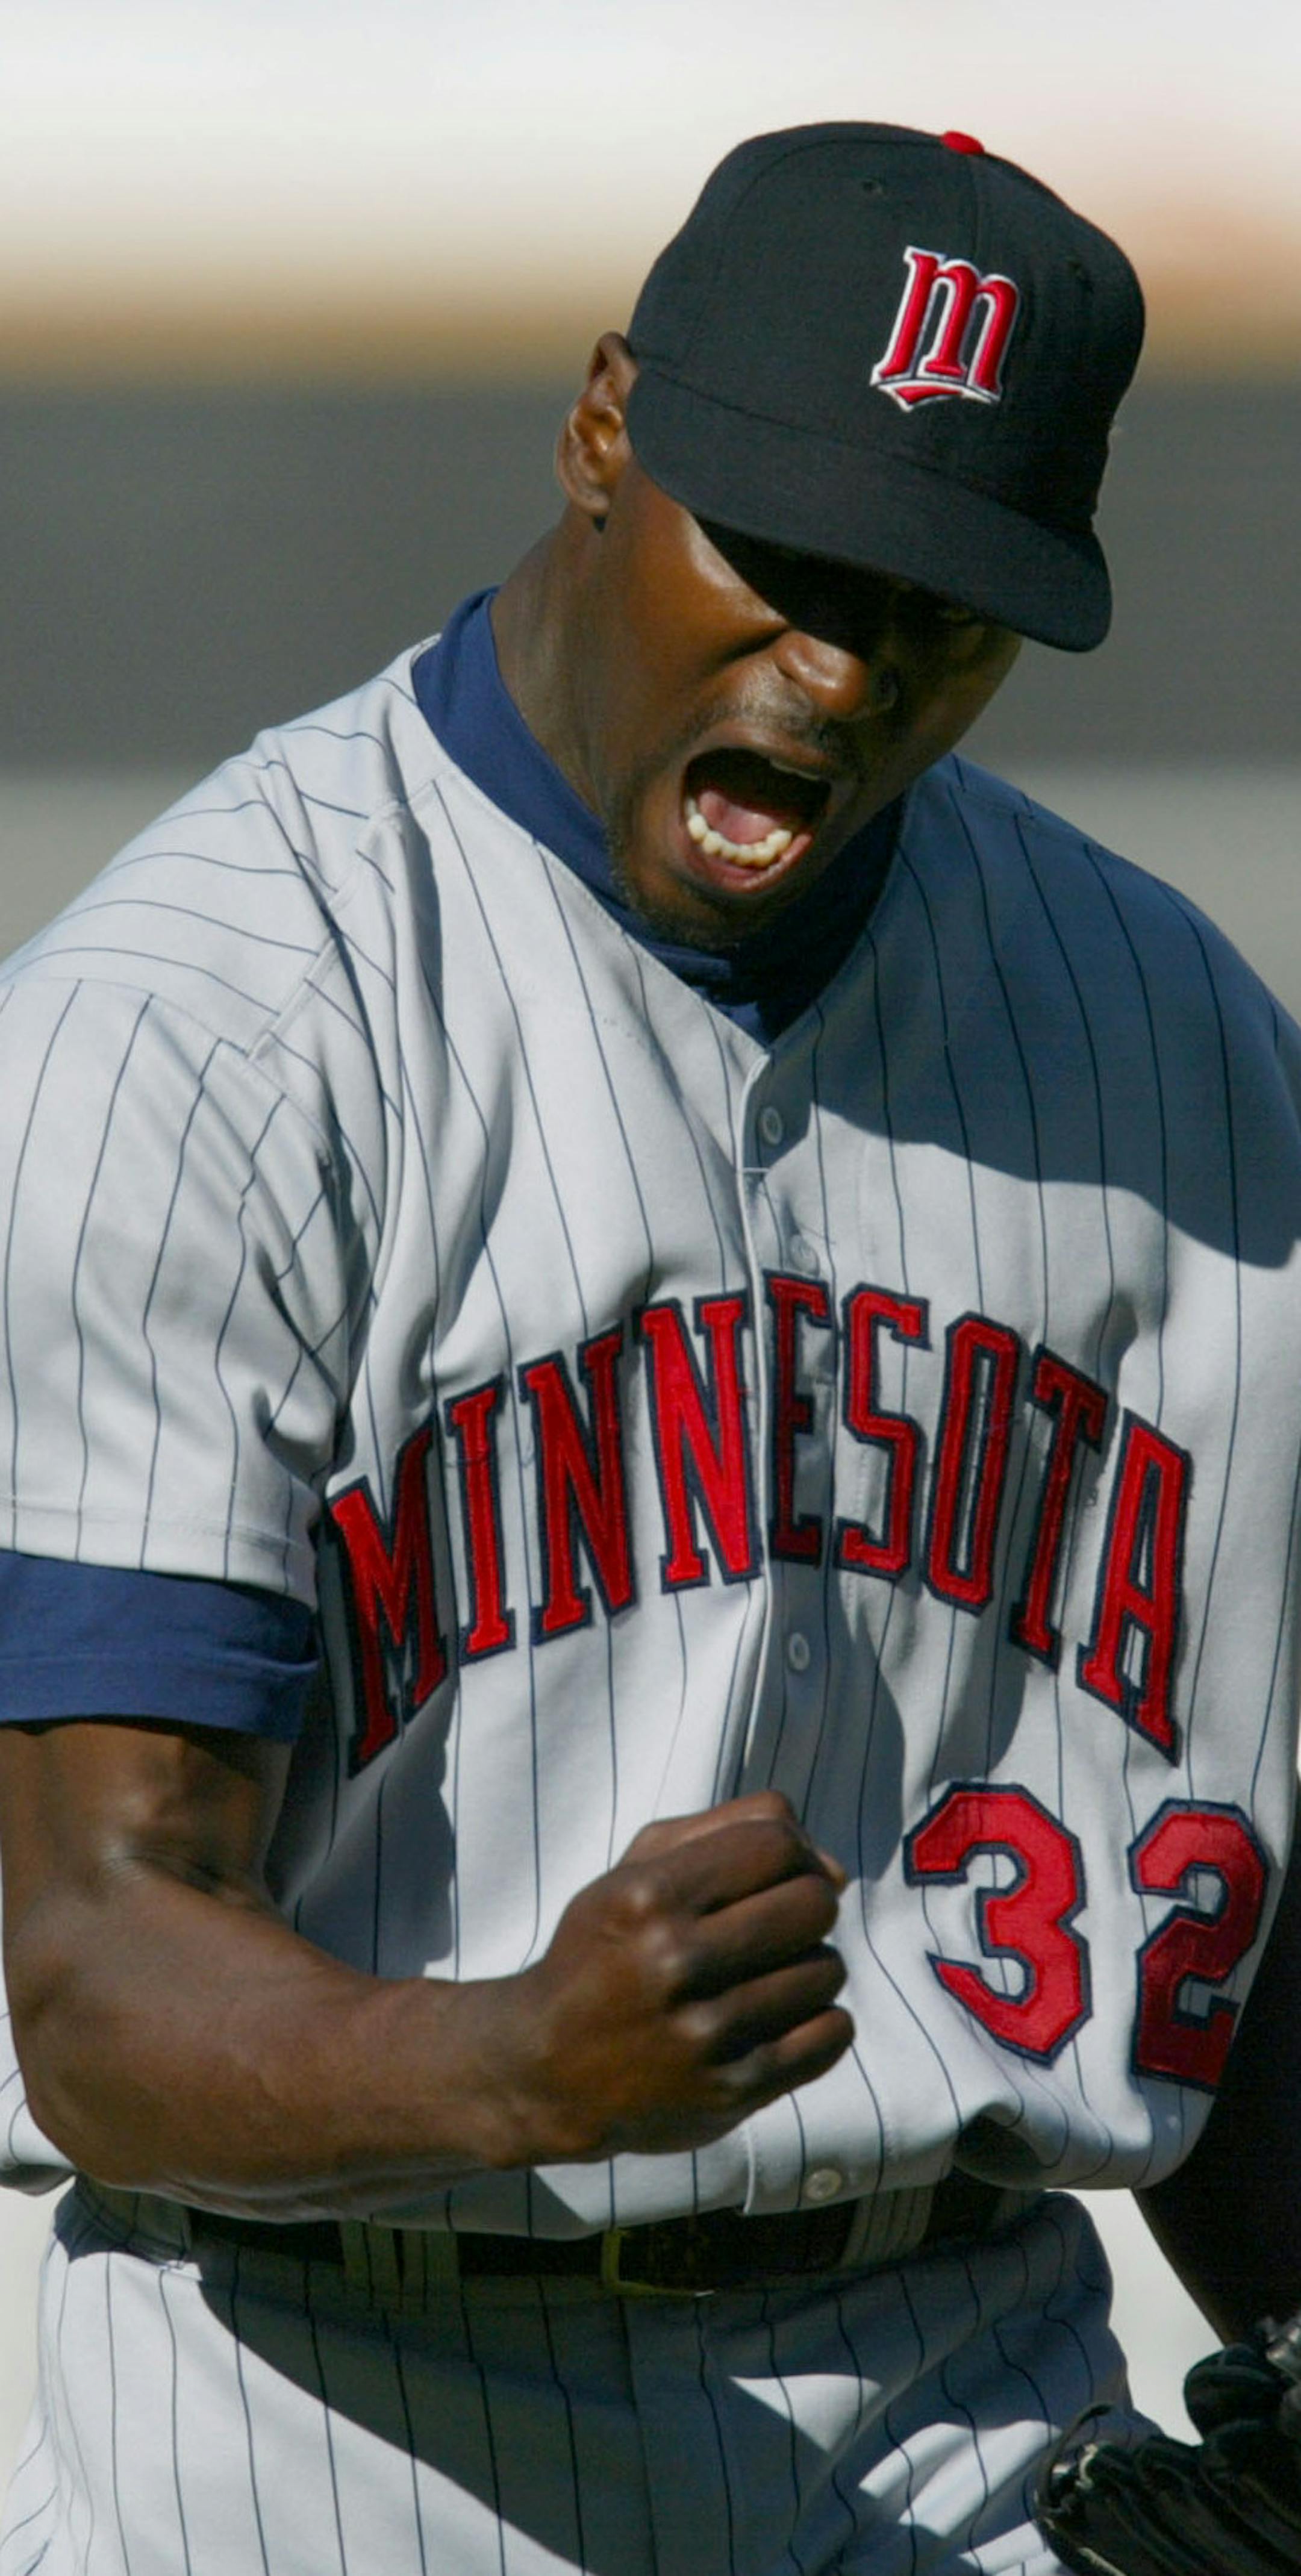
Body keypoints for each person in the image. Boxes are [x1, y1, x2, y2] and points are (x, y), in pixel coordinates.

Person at [1, 119, 1300, 2576]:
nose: (838, 672)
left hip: (973, 2423)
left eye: (938, 603)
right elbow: (93, 1965)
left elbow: (1237, 1852)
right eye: (785, 561)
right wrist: (508, 2060)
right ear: (606, 427)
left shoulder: (1176, 1041)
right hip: (331, 2432)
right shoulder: (200, 1036)